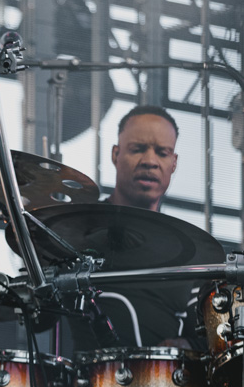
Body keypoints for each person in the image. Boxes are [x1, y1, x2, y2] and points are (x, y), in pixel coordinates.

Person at [66, 103, 211, 351]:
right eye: (138, 149)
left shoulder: (192, 253)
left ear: (174, 163)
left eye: (162, 153)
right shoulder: (74, 231)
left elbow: (206, 338)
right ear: (115, 154)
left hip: (163, 384)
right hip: (85, 383)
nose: (150, 161)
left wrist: (191, 345)